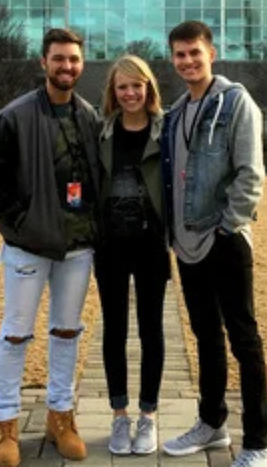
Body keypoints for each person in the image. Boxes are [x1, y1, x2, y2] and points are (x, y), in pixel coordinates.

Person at [0, 28, 101, 467]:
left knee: (67, 332)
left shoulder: (88, 116)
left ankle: (60, 417)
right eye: (59, 58)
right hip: (28, 248)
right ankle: (5, 423)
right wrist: (22, 226)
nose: (67, 66)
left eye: (74, 59)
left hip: (77, 247)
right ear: (43, 62)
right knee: (15, 334)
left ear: (82, 64)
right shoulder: (15, 116)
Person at [159, 20, 267, 467]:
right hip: (187, 245)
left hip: (225, 241)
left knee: (244, 340)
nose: (188, 61)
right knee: (206, 336)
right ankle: (212, 424)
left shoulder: (236, 102)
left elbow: (251, 173)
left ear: (211, 53)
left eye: (195, 52)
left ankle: (259, 442)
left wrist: (228, 227)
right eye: (180, 54)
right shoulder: (175, 113)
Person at [94, 55, 170, 456]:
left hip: (151, 245)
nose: (130, 93)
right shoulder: (102, 132)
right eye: (122, 87)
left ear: (148, 87)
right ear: (113, 91)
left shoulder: (166, 130)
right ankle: (119, 414)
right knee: (114, 330)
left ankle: (148, 415)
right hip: (110, 246)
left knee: (151, 329)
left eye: (136, 86)